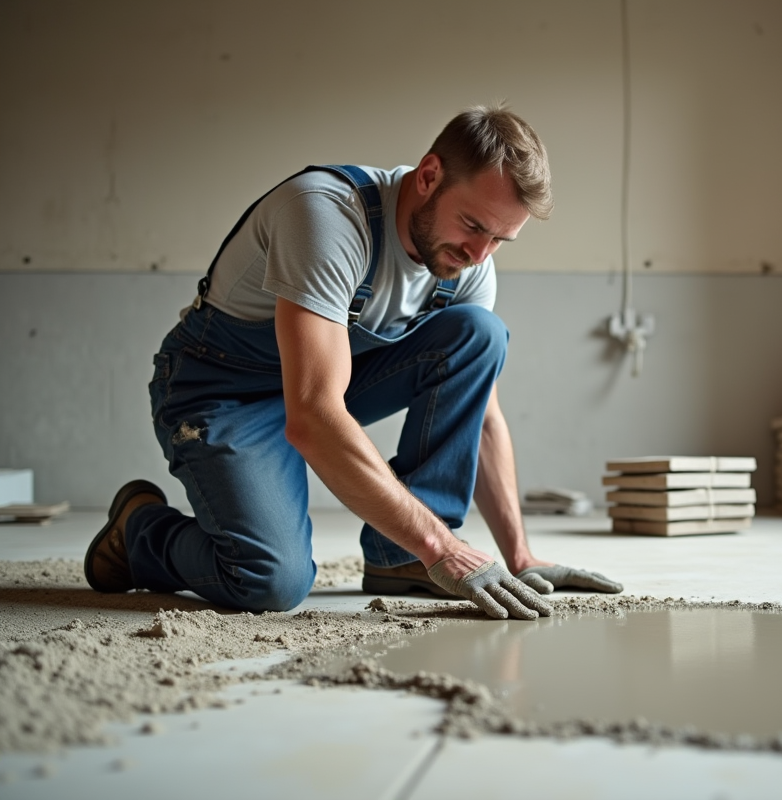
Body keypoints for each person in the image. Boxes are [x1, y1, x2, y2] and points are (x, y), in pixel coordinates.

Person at [84, 105, 622, 620]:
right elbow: (314, 416)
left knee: (479, 335)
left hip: (324, 386)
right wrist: (444, 546)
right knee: (270, 581)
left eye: (501, 240)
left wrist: (520, 556)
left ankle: (399, 555)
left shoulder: (468, 263)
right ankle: (140, 531)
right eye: (473, 226)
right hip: (222, 391)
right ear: (429, 175)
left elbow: (480, 416)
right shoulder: (326, 216)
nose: (480, 254)